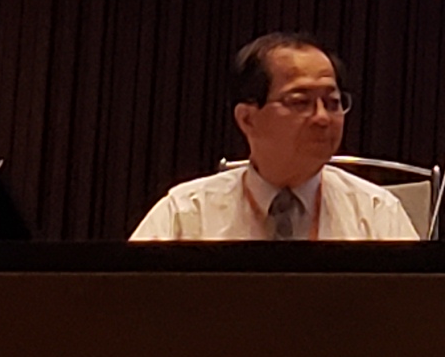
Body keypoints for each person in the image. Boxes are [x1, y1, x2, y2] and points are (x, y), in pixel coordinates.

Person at [131, 33, 419, 241]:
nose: (322, 118)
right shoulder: (185, 214)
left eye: (332, 103)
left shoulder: (376, 213)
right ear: (247, 118)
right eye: (300, 102)